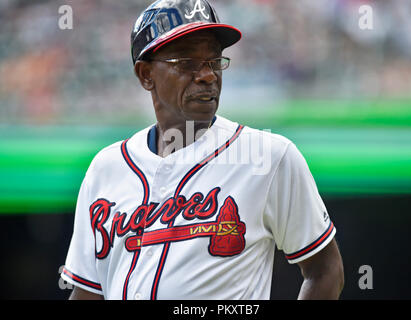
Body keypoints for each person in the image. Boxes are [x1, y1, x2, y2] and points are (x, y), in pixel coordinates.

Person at [61, 0, 344, 300]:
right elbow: (88, 291)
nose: (208, 75)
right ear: (146, 75)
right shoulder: (106, 168)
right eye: (187, 63)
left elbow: (326, 271)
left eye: (214, 60)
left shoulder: (268, 157)